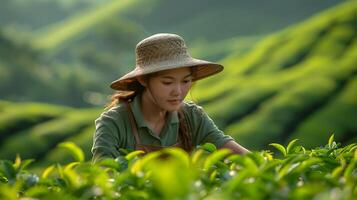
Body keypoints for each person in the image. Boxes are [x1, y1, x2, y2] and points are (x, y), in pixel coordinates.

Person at [91, 33, 249, 162]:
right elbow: (104, 176)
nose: (178, 91)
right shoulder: (114, 123)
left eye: (186, 81)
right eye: (167, 82)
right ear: (143, 79)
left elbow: (234, 151)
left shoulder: (191, 116)